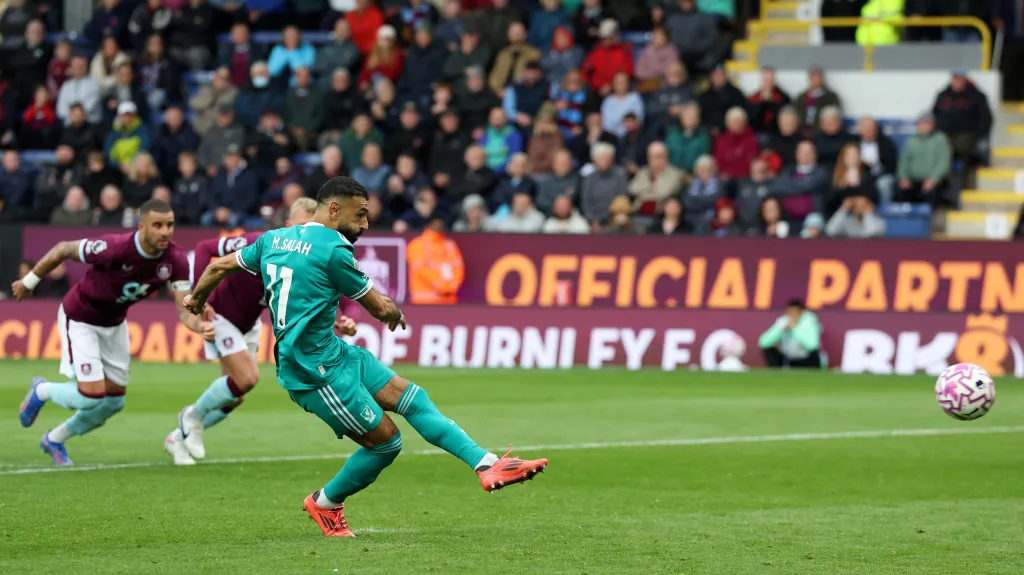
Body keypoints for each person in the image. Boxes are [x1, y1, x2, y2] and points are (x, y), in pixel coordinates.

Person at [181, 177, 548, 536]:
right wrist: (394, 313)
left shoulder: (273, 239)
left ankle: (488, 464)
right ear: (334, 209)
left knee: (413, 398)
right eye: (359, 214)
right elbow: (379, 307)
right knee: (387, 443)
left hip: (335, 352)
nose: (365, 224)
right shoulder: (334, 248)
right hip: (313, 371)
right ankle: (325, 503)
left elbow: (216, 266)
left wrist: (196, 300)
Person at [15, 200, 212, 467]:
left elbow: (184, 311)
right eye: (157, 225)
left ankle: (54, 439)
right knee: (91, 395)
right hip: (81, 317)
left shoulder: (175, 259)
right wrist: (29, 282)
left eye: (169, 225)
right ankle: (41, 390)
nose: (165, 231)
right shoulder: (114, 248)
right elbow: (62, 249)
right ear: (141, 227)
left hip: (114, 323)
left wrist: (200, 326)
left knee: (113, 402)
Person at [165, 198, 356, 464]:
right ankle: (191, 417)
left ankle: (178, 437)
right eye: (302, 225)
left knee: (235, 396)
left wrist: (346, 318)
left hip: (250, 324)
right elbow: (204, 248)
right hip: (221, 315)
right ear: (287, 225)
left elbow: (344, 292)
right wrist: (201, 297)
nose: (307, 233)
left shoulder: (314, 256)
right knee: (248, 378)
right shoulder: (259, 241)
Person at [407, 214, 465, 304]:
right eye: (435, 223)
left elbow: (458, 267)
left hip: (449, 301)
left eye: (441, 224)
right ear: (428, 224)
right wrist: (440, 284)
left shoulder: (449, 244)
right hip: (424, 302)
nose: (438, 226)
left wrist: (452, 285)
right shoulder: (417, 244)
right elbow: (421, 270)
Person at [758, 299, 823, 369]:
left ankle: (814, 370)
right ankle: (777, 371)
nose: (792, 315)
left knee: (814, 353)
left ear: (801, 312)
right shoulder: (783, 321)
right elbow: (763, 342)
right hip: (789, 359)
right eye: (790, 313)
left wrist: (795, 329)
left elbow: (812, 346)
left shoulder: (810, 322)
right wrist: (780, 331)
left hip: (806, 359)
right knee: (768, 349)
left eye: (795, 313)